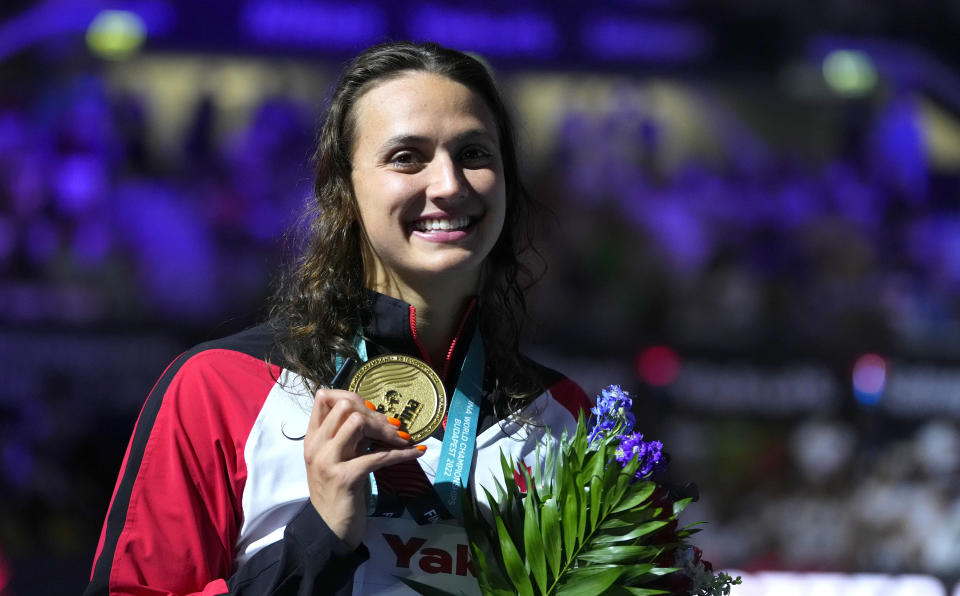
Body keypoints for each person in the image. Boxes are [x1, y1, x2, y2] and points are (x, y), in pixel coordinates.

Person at [84, 41, 590, 595]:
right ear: (343, 185)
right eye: (406, 156)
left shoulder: (566, 418)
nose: (449, 184)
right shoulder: (219, 389)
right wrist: (317, 536)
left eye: (474, 154)